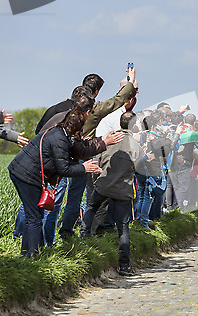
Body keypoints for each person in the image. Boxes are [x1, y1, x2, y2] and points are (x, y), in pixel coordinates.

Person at [8, 96, 101, 257]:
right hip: (25, 174)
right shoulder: (60, 139)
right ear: (76, 128)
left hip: (28, 172)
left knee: (35, 216)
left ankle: (30, 255)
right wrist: (83, 168)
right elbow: (64, 168)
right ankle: (32, 257)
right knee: (34, 217)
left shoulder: (61, 134)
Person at [59, 68, 137, 239]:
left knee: (56, 195)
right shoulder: (94, 109)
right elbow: (118, 100)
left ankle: (42, 236)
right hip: (83, 155)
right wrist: (131, 80)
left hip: (60, 152)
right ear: (96, 92)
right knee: (80, 196)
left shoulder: (65, 105)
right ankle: (69, 232)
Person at [80, 112, 141, 276]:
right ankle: (124, 265)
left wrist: (97, 181)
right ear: (134, 125)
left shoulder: (109, 138)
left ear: (120, 122)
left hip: (104, 184)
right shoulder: (135, 145)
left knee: (91, 207)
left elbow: (96, 161)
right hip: (123, 189)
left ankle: (83, 241)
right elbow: (138, 168)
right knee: (123, 227)